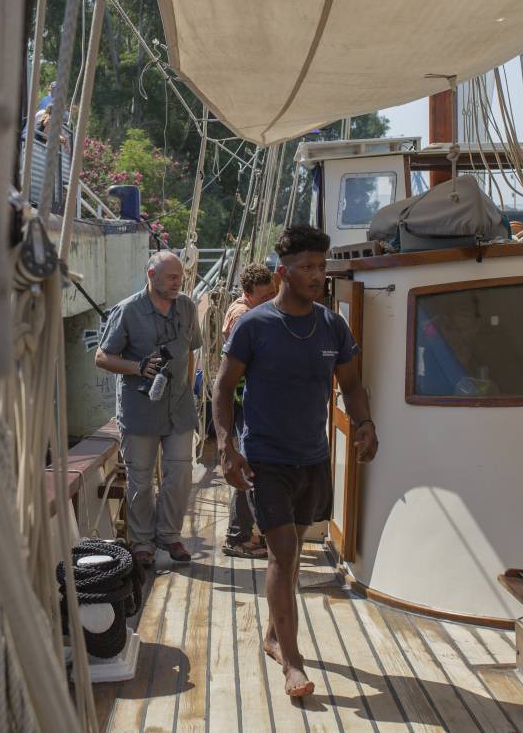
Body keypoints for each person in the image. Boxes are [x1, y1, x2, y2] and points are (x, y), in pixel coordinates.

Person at [213, 224, 378, 699]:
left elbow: (350, 384)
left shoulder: (332, 326)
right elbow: (224, 388)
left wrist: (365, 424)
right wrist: (227, 447)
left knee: (291, 558)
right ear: (283, 271)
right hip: (266, 457)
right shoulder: (253, 325)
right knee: (282, 553)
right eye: (307, 267)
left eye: (322, 267)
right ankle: (293, 662)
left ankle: (272, 634)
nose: (317, 276)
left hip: (313, 457)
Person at [96, 251, 202, 568]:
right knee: (140, 479)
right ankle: (141, 541)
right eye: (171, 277)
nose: (178, 282)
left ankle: (169, 536)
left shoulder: (186, 307)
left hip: (179, 407)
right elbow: (101, 357)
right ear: (151, 275)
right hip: (140, 408)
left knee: (180, 473)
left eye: (180, 277)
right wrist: (137, 367)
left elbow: (192, 351)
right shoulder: (128, 311)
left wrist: (186, 387)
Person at [220, 262, 277, 560]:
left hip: (250, 402)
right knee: (248, 470)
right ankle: (238, 537)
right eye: (265, 296)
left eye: (273, 294)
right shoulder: (243, 317)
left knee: (251, 469)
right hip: (245, 403)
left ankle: (244, 533)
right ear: (247, 293)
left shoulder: (252, 311)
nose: (271, 300)